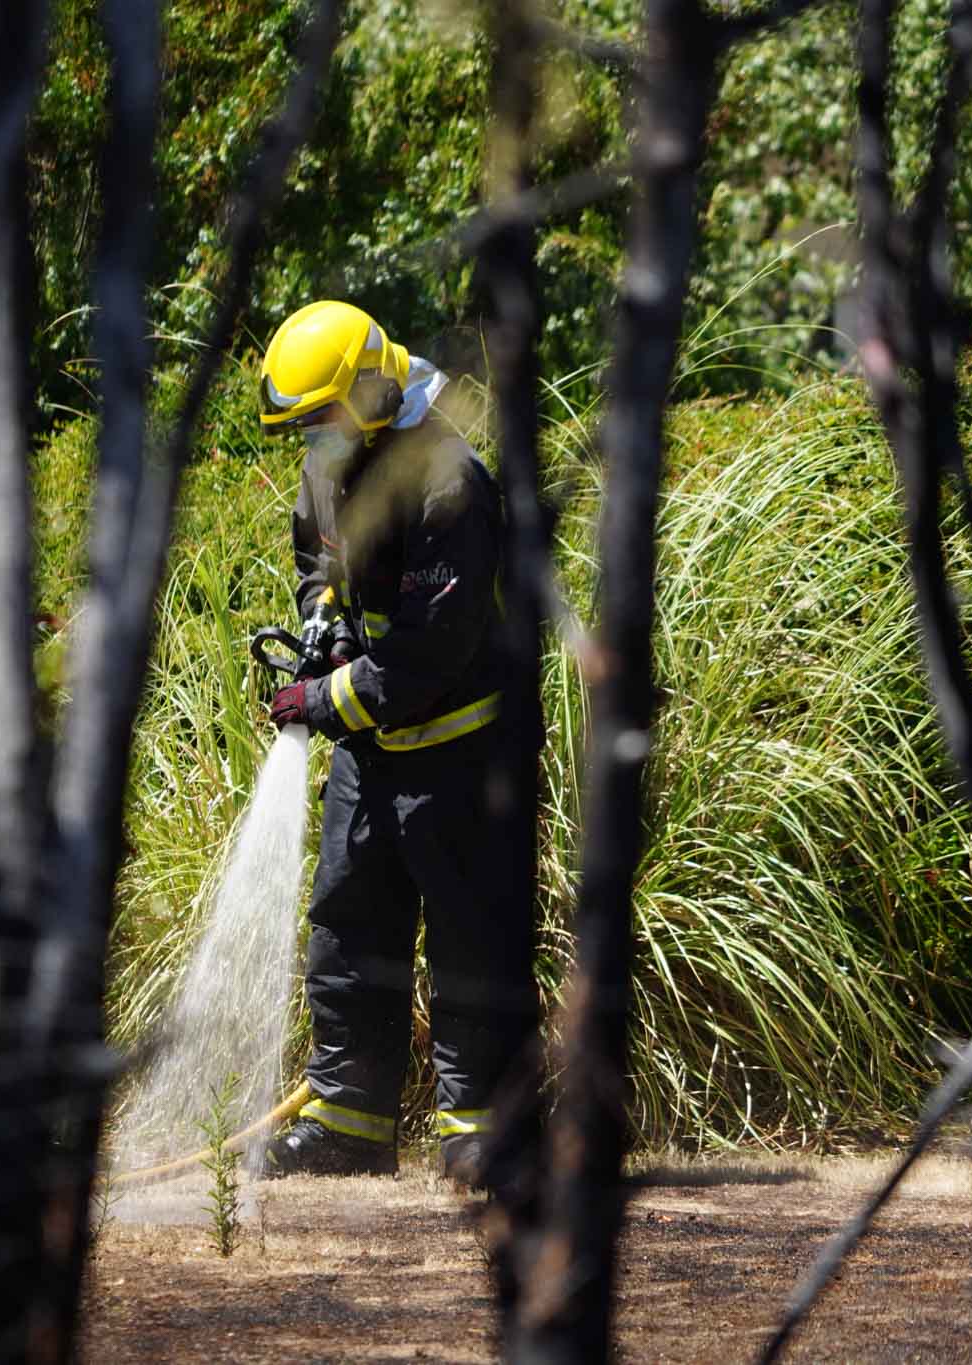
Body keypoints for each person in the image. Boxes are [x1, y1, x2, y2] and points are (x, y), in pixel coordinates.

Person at [253, 299, 539, 1187]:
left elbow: (433, 649)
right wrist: (325, 621)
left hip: (461, 756)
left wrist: (328, 693)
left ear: (376, 393)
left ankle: (483, 1136)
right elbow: (319, 557)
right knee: (347, 928)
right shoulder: (330, 460)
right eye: (306, 429)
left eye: (325, 419)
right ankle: (349, 1125)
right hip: (373, 749)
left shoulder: (448, 478)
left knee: (471, 941)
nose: (317, 441)